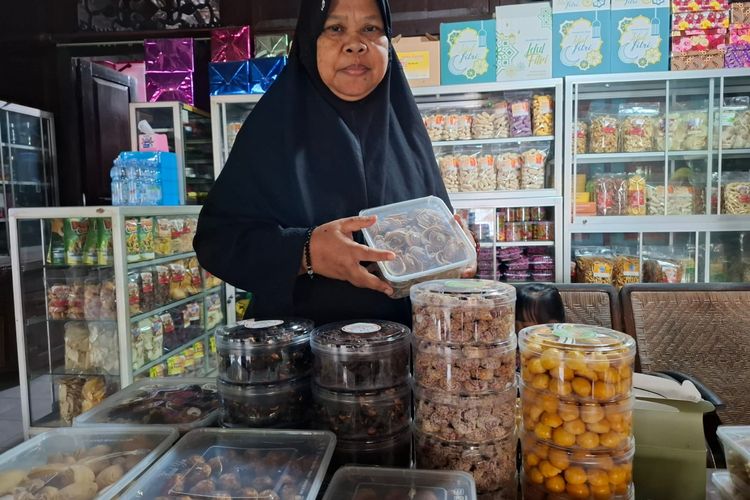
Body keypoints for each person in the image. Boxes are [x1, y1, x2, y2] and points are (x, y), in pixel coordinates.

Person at [194, 0, 473, 326]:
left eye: (370, 28)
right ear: (310, 41)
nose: (355, 44)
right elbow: (217, 242)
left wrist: (456, 250)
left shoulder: (406, 132)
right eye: (335, 28)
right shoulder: (270, 131)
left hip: (403, 345)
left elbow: (432, 231)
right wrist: (305, 251)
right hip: (298, 348)